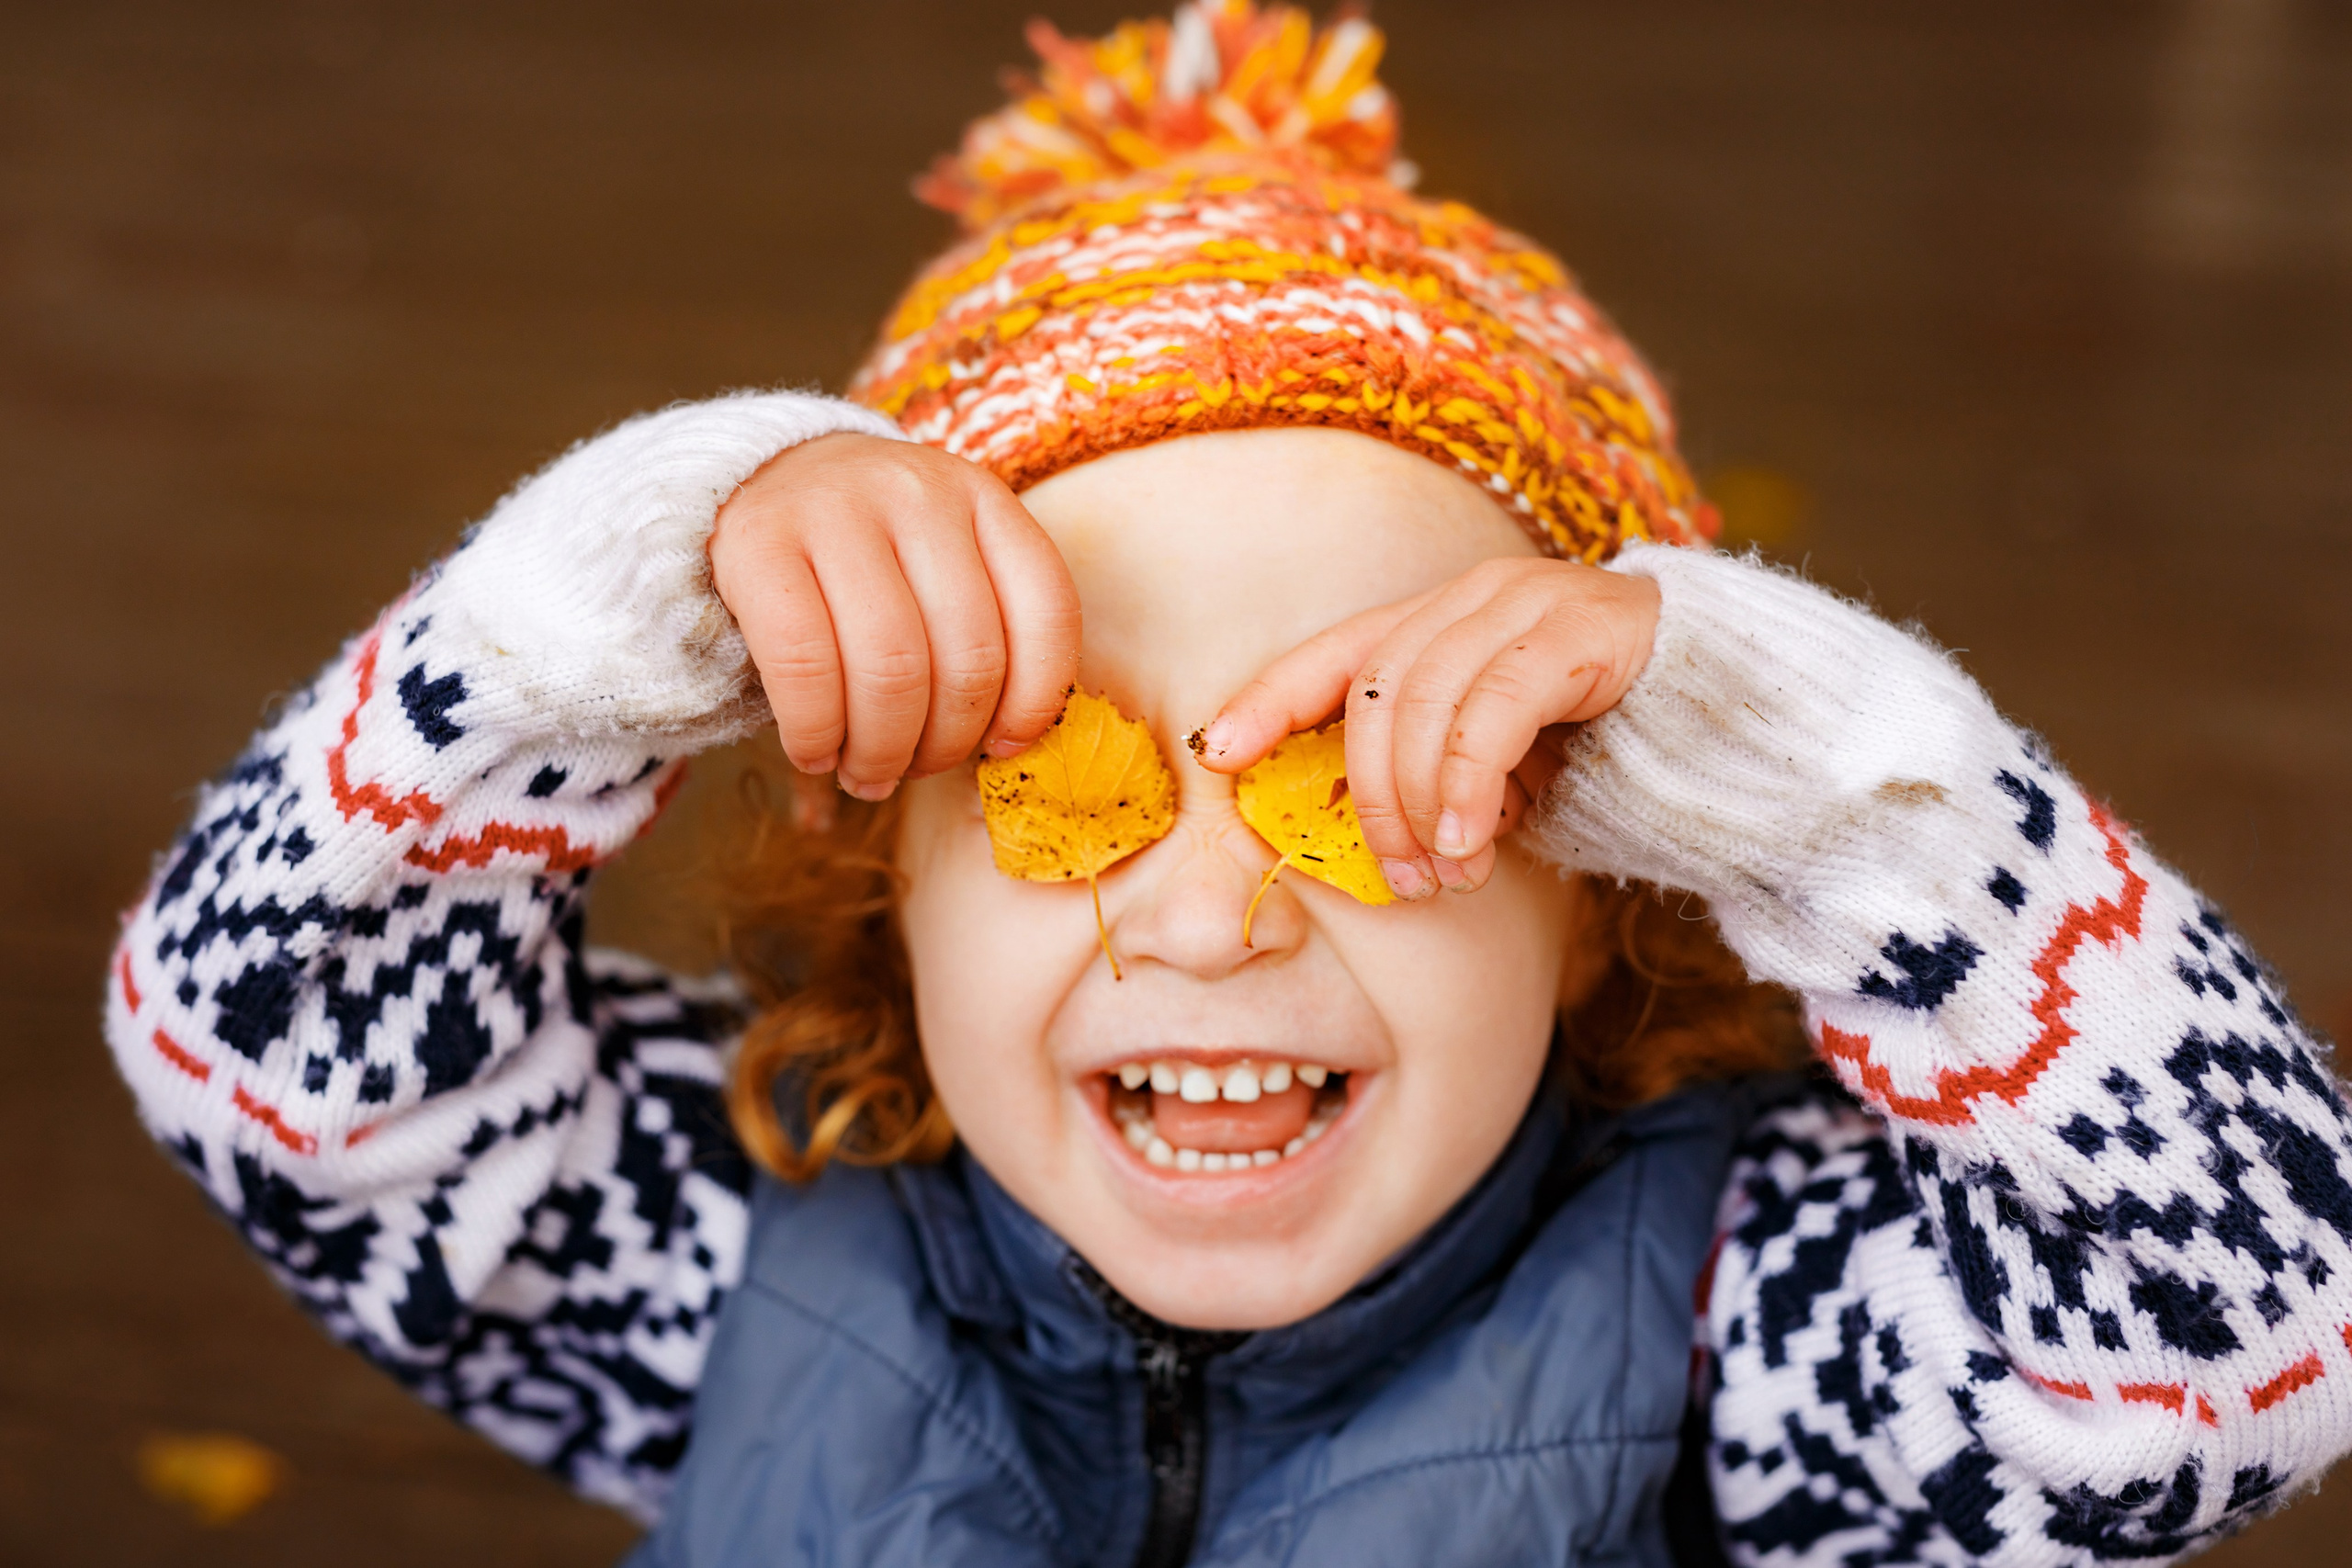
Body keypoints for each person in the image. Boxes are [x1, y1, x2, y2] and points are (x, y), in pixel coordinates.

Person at [105, 5, 2352, 1563]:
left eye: (1369, 784)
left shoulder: (1743, 1346)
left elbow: (2252, 1339)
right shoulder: (724, 1238)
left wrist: (1848, 800)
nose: (1203, 918)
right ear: (884, 866)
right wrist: (590, 619)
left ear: (1609, 882)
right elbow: (261, 1055)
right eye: (1053, 775)